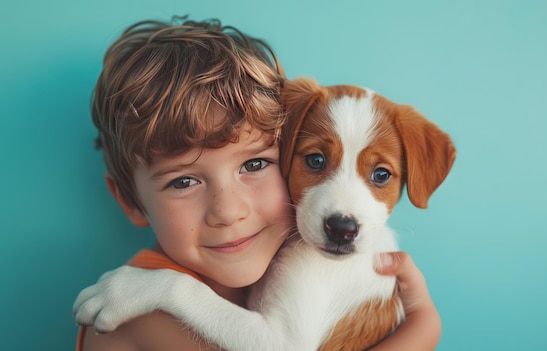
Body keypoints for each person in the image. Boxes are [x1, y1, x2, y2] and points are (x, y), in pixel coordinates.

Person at [75, 17, 442, 351]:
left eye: (253, 164)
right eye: (183, 180)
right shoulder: (132, 312)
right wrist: (423, 327)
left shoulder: (305, 256)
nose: (229, 210)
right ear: (129, 199)